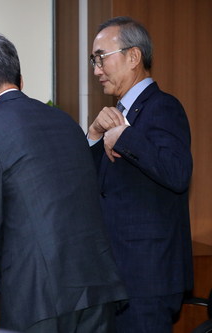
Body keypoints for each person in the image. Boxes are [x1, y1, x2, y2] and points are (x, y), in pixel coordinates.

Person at [0, 32, 128, 332]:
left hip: (38, 294)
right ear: (19, 80)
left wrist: (17, 259)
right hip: (96, 285)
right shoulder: (65, 120)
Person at [88, 16, 193, 332]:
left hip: (147, 279)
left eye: (101, 59)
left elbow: (177, 173)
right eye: (93, 62)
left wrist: (124, 136)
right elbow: (91, 187)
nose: (96, 71)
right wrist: (94, 136)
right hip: (116, 280)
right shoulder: (117, 114)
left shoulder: (163, 107)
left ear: (133, 57)